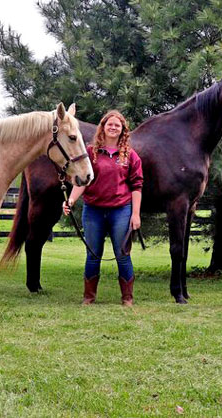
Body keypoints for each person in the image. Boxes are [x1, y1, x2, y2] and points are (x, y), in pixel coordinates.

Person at [63, 110, 143, 306]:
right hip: (93, 211)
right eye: (110, 124)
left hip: (121, 211)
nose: (113, 127)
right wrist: (71, 201)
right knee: (93, 254)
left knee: (122, 255)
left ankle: (127, 298)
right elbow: (82, 181)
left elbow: (137, 186)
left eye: (117, 125)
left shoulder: (131, 156)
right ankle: (88, 297)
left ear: (122, 129)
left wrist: (135, 214)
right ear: (103, 127)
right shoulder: (90, 152)